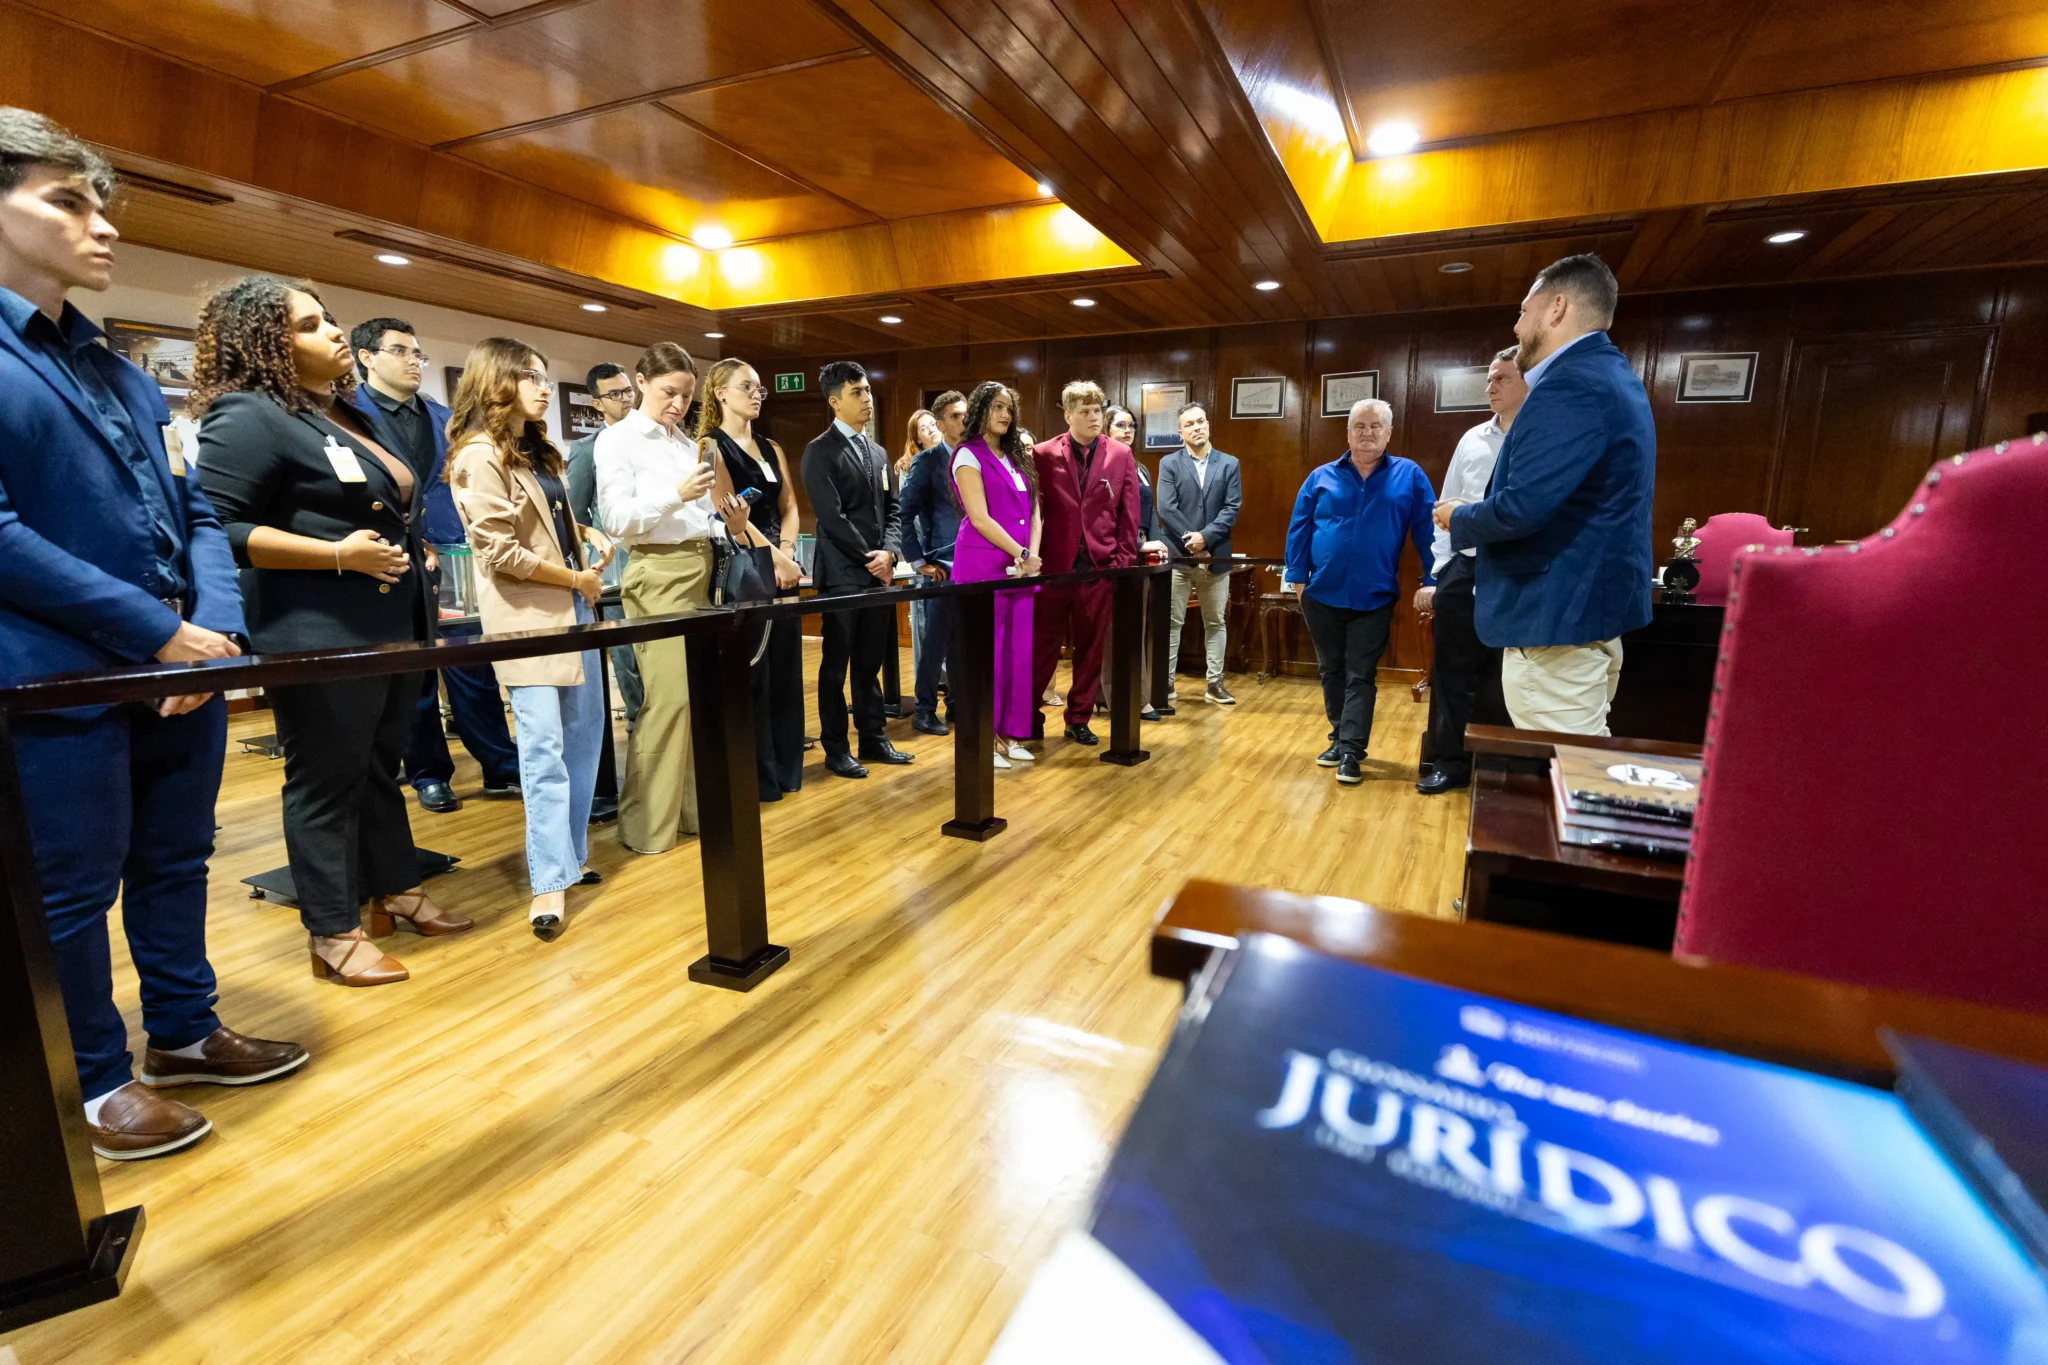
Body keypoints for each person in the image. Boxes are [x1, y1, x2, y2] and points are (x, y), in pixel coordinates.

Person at [0, 108, 307, 1160]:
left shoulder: (124, 371)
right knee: (71, 889)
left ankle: (181, 1030)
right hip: (55, 679)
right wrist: (152, 631)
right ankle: (90, 1082)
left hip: (179, 670)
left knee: (177, 861)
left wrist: (211, 628)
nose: (103, 227)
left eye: (101, 204)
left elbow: (199, 513)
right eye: (67, 202)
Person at [194, 275, 472, 989]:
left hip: (393, 622)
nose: (335, 332)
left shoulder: (347, 413)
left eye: (330, 320)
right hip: (317, 627)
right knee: (324, 780)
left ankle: (396, 888)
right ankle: (331, 927)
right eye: (312, 325)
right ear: (266, 343)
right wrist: (337, 553)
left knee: (381, 766)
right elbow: (217, 528)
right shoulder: (246, 414)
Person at [1438, 254, 1656, 737]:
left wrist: (1459, 517)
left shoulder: (1569, 385)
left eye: (1523, 311)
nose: (1517, 327)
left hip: (1557, 617)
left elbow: (1522, 507)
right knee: (1581, 765)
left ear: (1556, 308)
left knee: (1566, 773)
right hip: (1583, 612)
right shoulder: (1609, 373)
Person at [445, 339, 614, 938]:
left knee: (584, 739)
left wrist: (585, 532)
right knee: (542, 750)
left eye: (545, 376)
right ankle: (547, 881)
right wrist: (577, 577)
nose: (545, 387)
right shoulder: (477, 454)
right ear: (496, 382)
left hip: (574, 605)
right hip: (529, 616)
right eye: (531, 377)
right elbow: (497, 550)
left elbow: (542, 521)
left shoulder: (539, 449)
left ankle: (569, 860)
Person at [346, 315, 519, 814]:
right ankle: (428, 773)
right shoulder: (346, 415)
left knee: (471, 665)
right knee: (414, 674)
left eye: (417, 353)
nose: (414, 361)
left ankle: (499, 763)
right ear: (367, 358)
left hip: (452, 557)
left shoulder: (446, 416)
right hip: (390, 557)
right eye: (401, 351)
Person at [594, 342, 745, 853]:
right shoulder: (616, 441)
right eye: (668, 393)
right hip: (656, 573)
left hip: (701, 567)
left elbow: (695, 515)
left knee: (700, 698)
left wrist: (723, 519)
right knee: (669, 699)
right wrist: (675, 495)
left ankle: (692, 813)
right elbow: (616, 521)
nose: (679, 404)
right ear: (640, 382)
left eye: (686, 395)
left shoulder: (686, 444)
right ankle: (644, 825)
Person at [1284, 399, 1438, 786]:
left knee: (1360, 673)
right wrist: (1298, 581)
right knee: (1331, 670)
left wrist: (1433, 577)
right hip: (1321, 593)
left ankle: (1351, 750)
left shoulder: (1410, 475)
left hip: (1374, 595)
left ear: (1389, 432)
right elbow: (1299, 529)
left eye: (1376, 426)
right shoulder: (1320, 476)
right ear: (1348, 432)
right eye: (1360, 426)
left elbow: (1428, 531)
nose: (1367, 433)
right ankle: (1339, 736)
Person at [1416, 348, 1525, 795]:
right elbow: (1444, 507)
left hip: (1514, 572)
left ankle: (1506, 763)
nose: (1491, 387)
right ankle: (1450, 762)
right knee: (1452, 671)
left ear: (1528, 382)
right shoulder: (1472, 439)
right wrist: (1441, 570)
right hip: (1464, 567)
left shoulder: (1539, 435)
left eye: (1502, 379)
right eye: (1489, 379)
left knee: (1510, 673)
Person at [699, 357, 807, 800]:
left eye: (761, 389)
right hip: (745, 566)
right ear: (721, 393)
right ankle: (758, 778)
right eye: (748, 387)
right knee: (755, 675)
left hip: (783, 564)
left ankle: (786, 770)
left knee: (786, 670)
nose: (757, 395)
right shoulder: (711, 444)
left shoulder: (772, 446)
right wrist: (771, 558)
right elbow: (727, 507)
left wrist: (786, 553)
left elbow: (790, 507)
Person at [801, 360, 910, 780]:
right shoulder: (819, 450)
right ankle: (836, 747)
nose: (866, 398)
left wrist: (891, 554)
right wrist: (873, 558)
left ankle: (874, 737)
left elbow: (894, 510)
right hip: (844, 572)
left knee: (870, 661)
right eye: (856, 393)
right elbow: (831, 517)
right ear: (834, 402)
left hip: (879, 571)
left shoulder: (878, 451)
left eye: (867, 390)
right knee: (836, 664)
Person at [1031, 381, 1141, 745]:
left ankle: (1078, 717)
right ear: (1068, 415)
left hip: (1099, 566)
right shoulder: (1043, 454)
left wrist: (1122, 562)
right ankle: (1029, 715)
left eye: (1097, 411)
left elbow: (1129, 515)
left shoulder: (1121, 455)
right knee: (1042, 646)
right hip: (1053, 567)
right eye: (1085, 412)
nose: (1094, 418)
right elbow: (1036, 511)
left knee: (1091, 648)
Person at [949, 381, 1042, 767]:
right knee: (985, 658)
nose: (1004, 414)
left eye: (1009, 408)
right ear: (980, 411)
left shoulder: (1018, 457)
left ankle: (1010, 733)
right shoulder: (967, 456)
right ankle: (983, 738)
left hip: (1021, 571)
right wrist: (1020, 552)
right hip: (981, 569)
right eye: (996, 407)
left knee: (1018, 656)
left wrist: (1032, 557)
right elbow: (980, 517)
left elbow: (1037, 513)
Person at [565, 362, 644, 740]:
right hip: (616, 569)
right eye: (615, 394)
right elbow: (576, 516)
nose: (626, 399)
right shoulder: (587, 449)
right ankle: (637, 721)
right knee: (628, 653)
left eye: (628, 390)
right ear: (597, 404)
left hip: (655, 560)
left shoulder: (652, 437)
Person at [1156, 402, 1242, 705]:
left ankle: (1215, 683)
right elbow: (1167, 508)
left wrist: (1206, 539)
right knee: (1171, 622)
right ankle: (1164, 683)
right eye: (1190, 424)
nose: (1197, 427)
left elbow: (1232, 508)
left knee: (1215, 622)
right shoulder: (1169, 463)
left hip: (1217, 557)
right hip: (1179, 556)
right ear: (1180, 432)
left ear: (1208, 424)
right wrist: (1193, 540)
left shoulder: (1229, 463)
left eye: (1201, 421)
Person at [900, 389, 966, 736]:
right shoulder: (928, 460)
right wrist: (918, 560)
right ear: (940, 424)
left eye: (965, 414)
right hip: (941, 562)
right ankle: (924, 710)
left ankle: (957, 704)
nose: (963, 420)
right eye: (955, 416)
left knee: (962, 640)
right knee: (936, 641)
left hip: (974, 563)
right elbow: (903, 510)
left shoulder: (975, 456)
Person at [1103, 403, 1168, 722]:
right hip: (1116, 553)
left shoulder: (1139, 466)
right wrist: (1141, 544)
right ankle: (1114, 696)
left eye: (1131, 425)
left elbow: (1150, 512)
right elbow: (1107, 518)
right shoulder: (1103, 463)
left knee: (1136, 627)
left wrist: (1158, 545)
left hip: (1140, 553)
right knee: (1113, 629)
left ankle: (1139, 694)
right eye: (1120, 425)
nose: (1127, 431)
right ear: (1106, 429)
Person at [898, 406, 941, 688]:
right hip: (925, 555)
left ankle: (950, 685)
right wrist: (918, 558)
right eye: (924, 428)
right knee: (924, 624)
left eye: (933, 424)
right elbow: (905, 516)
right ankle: (927, 687)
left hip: (947, 555)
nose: (932, 429)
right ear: (917, 440)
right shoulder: (912, 466)